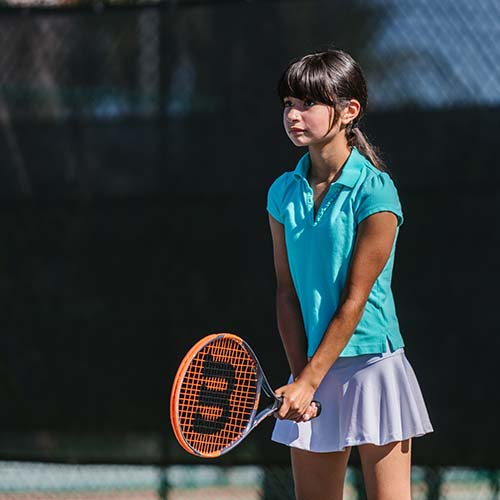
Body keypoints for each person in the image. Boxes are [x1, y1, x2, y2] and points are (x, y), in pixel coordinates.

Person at [267, 49, 433, 500]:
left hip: (372, 367)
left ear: (348, 111)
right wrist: (300, 376)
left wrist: (308, 380)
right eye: (287, 103)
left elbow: (355, 300)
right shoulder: (282, 193)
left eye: (306, 103)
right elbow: (287, 292)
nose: (293, 114)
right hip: (313, 369)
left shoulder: (375, 190)